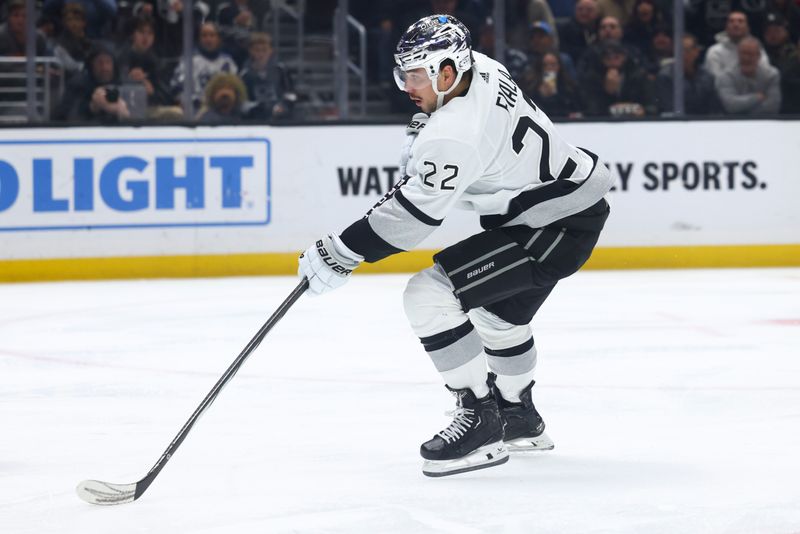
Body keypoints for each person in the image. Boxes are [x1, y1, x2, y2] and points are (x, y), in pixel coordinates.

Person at [297, 14, 613, 477]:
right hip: (568, 207)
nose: (407, 86)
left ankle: (481, 418)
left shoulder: (453, 134)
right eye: (404, 72)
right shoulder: (481, 67)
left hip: (552, 223)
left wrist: (342, 252)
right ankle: (520, 418)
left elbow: (412, 219)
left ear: (448, 71)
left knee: (429, 296)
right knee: (498, 319)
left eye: (416, 74)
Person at [656, 33, 721, 115]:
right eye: (679, 50)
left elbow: (714, 107)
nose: (682, 54)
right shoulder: (666, 77)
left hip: (703, 123)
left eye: (686, 50)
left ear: (696, 52)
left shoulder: (707, 77)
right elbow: (669, 108)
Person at [715, 36, 781, 114]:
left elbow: (772, 106)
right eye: (743, 53)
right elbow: (730, 105)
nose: (746, 58)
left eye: (750, 54)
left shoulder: (771, 75)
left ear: (758, 55)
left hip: (764, 122)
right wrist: (756, 98)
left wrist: (745, 113)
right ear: (738, 54)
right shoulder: (726, 76)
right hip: (733, 123)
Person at [239, 32, 295, 120]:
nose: (261, 54)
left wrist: (283, 106)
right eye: (257, 50)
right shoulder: (245, 75)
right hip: (255, 120)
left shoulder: (281, 70)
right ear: (251, 51)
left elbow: (291, 94)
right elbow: (242, 102)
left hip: (281, 119)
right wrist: (259, 108)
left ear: (270, 50)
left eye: (264, 50)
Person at [704, 11, 770, 81]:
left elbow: (765, 72)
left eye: (740, 21)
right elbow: (715, 79)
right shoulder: (714, 51)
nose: (736, 24)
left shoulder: (756, 48)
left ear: (748, 27)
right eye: (731, 21)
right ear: (726, 27)